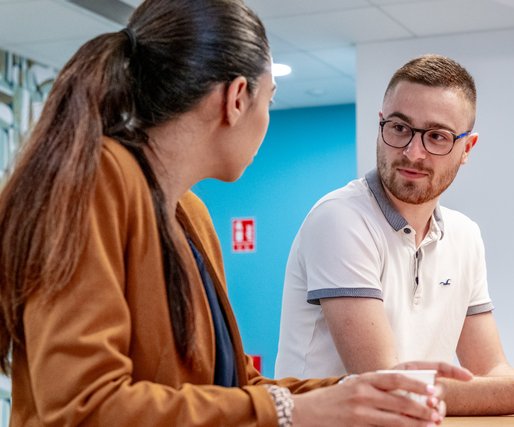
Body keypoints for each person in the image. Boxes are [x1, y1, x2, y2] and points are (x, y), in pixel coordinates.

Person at [0, 3, 472, 426]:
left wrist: (356, 391)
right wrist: (291, 411)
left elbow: (228, 388)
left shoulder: (190, 214)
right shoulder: (98, 179)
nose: (266, 119)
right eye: (270, 100)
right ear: (237, 98)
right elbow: (83, 408)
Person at [275, 53, 514, 417]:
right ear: (380, 123)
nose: (412, 152)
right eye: (400, 128)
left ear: (467, 148)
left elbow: (490, 369)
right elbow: (386, 383)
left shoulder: (465, 235)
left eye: (437, 137)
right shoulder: (340, 219)